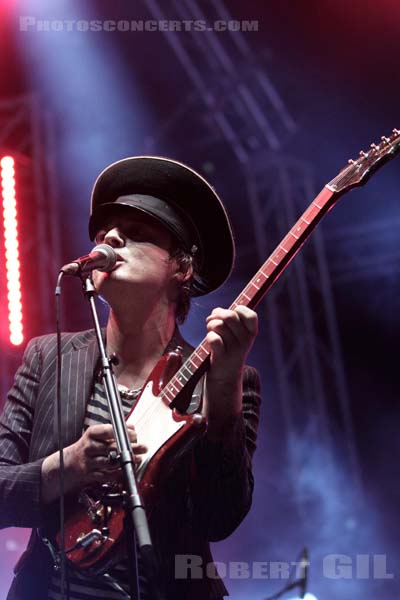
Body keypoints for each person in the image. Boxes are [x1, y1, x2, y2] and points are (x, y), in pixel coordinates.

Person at [0, 156, 261, 599]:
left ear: (181, 268)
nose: (110, 239)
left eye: (136, 233)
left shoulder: (228, 378)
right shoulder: (47, 358)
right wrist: (68, 465)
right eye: (103, 235)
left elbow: (221, 516)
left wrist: (225, 382)